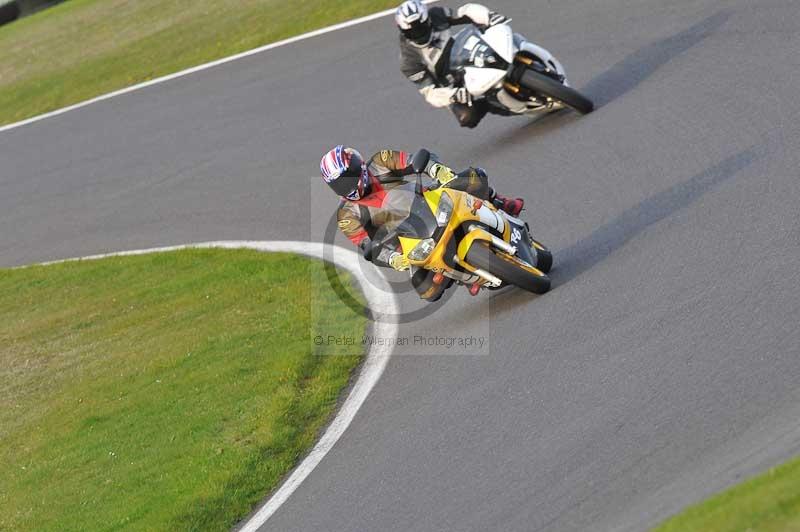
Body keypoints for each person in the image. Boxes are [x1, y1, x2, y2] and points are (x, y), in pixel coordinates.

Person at [320, 145, 524, 300]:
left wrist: (438, 170)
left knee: (474, 177)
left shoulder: (380, 162)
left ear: (359, 166)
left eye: (348, 177)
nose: (346, 186)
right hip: (409, 239)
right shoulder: (347, 214)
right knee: (427, 291)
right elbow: (367, 246)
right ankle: (464, 274)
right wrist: (392, 259)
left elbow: (417, 161)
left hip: (430, 201)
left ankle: (500, 202)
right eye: (339, 184)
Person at [395, 1, 511, 128]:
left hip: (465, 52)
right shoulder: (409, 61)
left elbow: (465, 12)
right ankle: (492, 104)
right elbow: (430, 93)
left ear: (428, 21)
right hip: (451, 84)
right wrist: (453, 95)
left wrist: (488, 16)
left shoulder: (436, 15)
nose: (419, 35)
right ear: (403, 32)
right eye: (412, 32)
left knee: (496, 36)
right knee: (467, 117)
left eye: (421, 29)